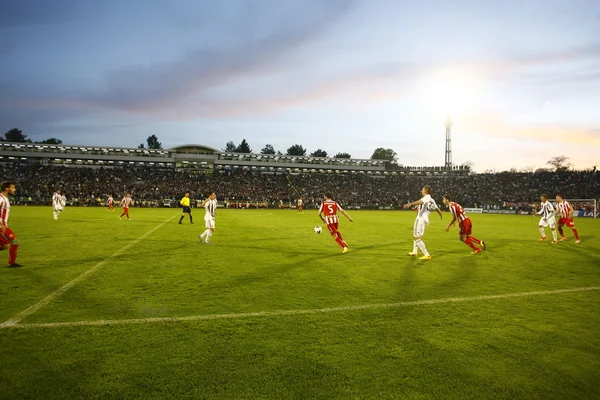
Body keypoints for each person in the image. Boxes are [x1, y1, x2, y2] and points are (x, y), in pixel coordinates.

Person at [403, 186, 443, 260]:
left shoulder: (427, 197)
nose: (421, 191)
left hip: (421, 219)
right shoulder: (432, 200)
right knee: (415, 234)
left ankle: (427, 255)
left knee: (416, 237)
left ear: (425, 191)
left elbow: (421, 202)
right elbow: (437, 208)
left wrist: (411, 204)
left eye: (422, 190)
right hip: (423, 219)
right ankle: (414, 252)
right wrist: (441, 215)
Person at [0, 181, 21, 268]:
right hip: (1, 226)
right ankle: (11, 263)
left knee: (3, 246)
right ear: (7, 188)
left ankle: (11, 263)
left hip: (4, 225)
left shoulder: (6, 199)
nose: (14, 189)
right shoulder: (1, 198)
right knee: (14, 241)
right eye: (13, 187)